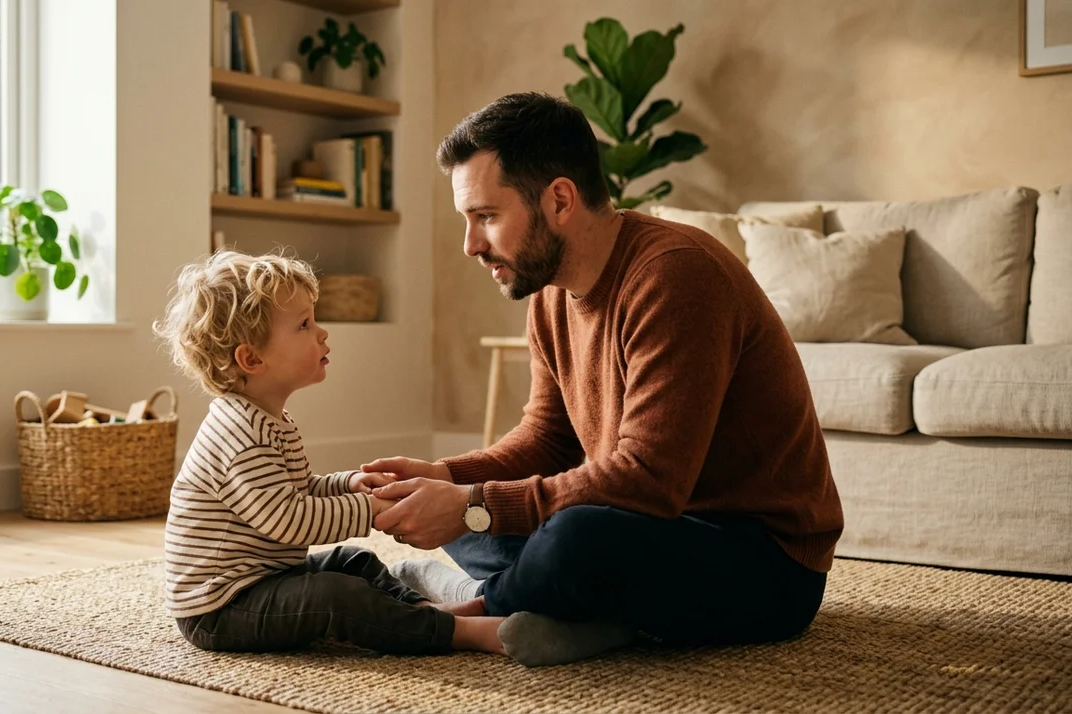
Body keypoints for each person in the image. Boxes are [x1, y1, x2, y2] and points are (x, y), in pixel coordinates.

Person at [362, 92, 845, 667]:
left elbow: (649, 480)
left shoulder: (676, 275)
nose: (471, 245)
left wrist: (473, 503)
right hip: (645, 530)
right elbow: (548, 440)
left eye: (486, 217)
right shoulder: (549, 295)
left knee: (569, 539)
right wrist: (444, 478)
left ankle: (474, 609)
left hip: (762, 561)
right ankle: (571, 614)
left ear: (560, 200)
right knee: (467, 514)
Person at [153, 250, 504, 656]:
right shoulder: (238, 435)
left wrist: (349, 484)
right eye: (304, 325)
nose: (322, 333)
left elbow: (300, 490)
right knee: (334, 596)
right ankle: (454, 632)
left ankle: (420, 611)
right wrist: (368, 508)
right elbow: (289, 520)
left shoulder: (268, 420)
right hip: (221, 608)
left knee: (353, 561)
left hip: (263, 578)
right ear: (251, 358)